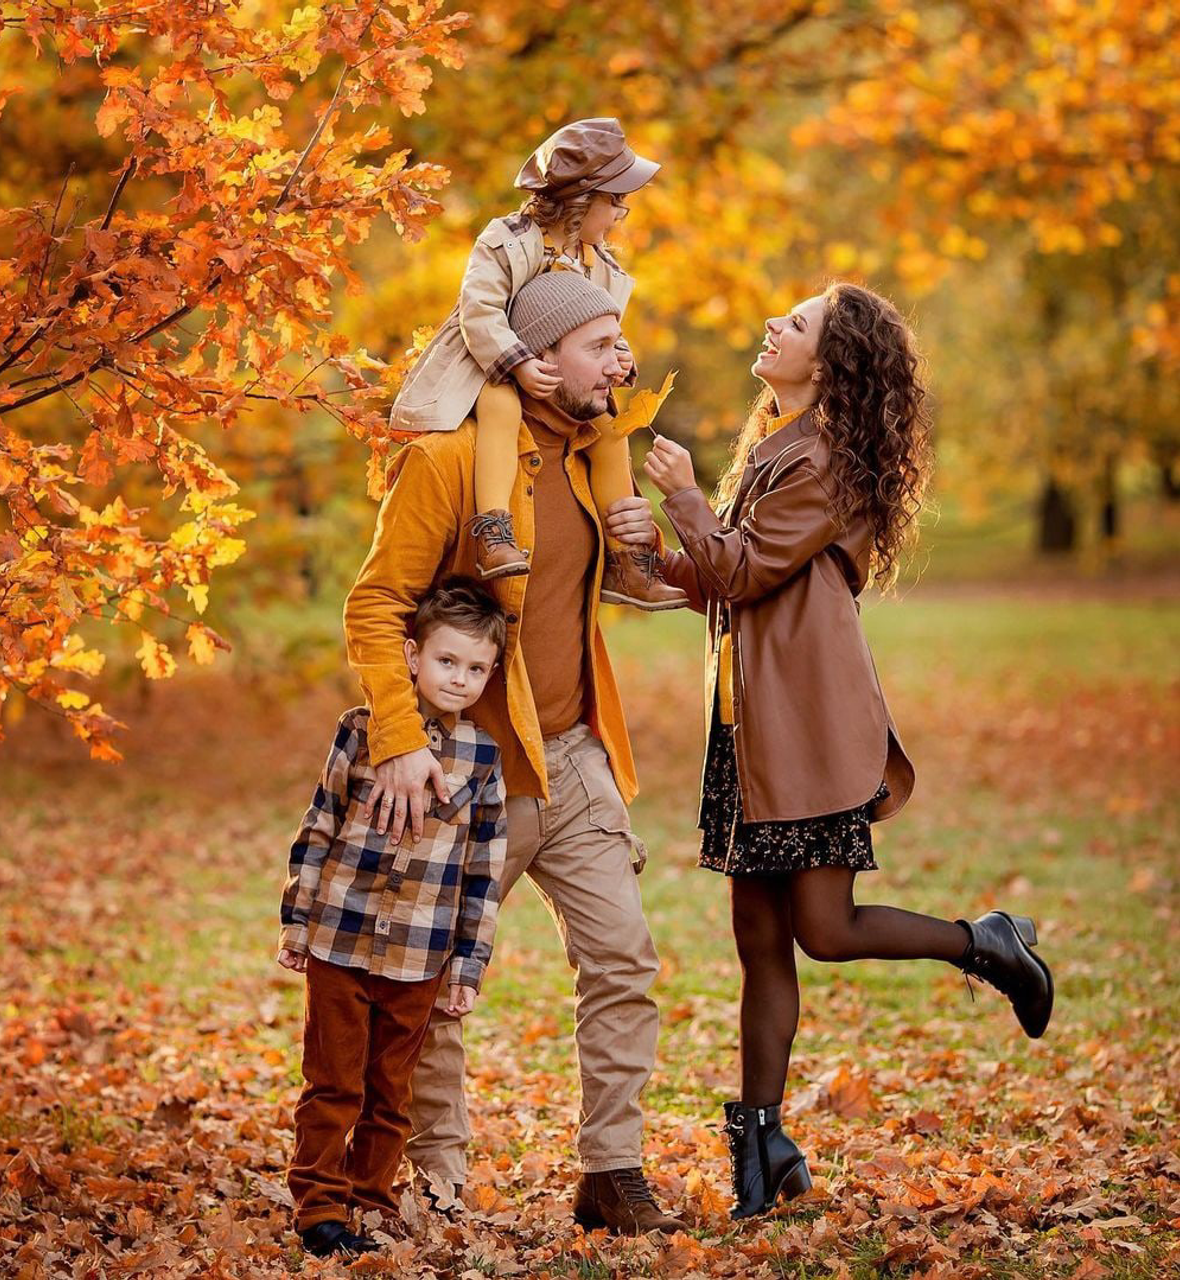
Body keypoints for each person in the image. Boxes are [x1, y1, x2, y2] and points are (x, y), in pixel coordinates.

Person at [633, 281, 1055, 1220]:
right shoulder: (778, 449)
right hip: (753, 725)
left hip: (808, 728)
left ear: (824, 366)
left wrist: (682, 499)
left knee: (822, 930)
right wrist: (654, 558)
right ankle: (762, 1139)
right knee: (757, 942)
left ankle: (983, 944)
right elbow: (740, 581)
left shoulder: (822, 458)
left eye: (796, 322)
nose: (773, 323)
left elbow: (741, 567)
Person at [344, 270, 687, 1236]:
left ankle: (613, 1172)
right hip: (461, 770)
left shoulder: (593, 460)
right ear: (539, 361)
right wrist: (402, 743)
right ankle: (440, 1177)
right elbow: (374, 604)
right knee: (436, 985)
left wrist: (649, 547)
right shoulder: (452, 466)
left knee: (624, 959)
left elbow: (630, 592)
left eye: (621, 341)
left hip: (574, 756)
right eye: (601, 343)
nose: (621, 361)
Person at [277, 579, 508, 1259]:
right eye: (447, 662)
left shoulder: (485, 759)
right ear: (411, 656)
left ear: (491, 673)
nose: (460, 679)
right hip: (340, 938)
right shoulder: (360, 729)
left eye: (476, 668)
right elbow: (319, 825)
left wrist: (468, 966)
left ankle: (368, 1205)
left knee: (389, 1092)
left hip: (420, 954)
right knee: (332, 1082)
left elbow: (483, 875)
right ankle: (319, 1208)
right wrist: (296, 921)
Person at [389, 116, 685, 611]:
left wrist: (617, 356)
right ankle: (493, 530)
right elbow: (479, 310)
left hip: (555, 377)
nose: (621, 214)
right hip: (491, 365)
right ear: (582, 198)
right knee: (501, 410)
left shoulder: (598, 262)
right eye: (615, 201)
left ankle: (626, 560)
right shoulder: (508, 239)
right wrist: (519, 362)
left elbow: (603, 325)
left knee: (611, 430)